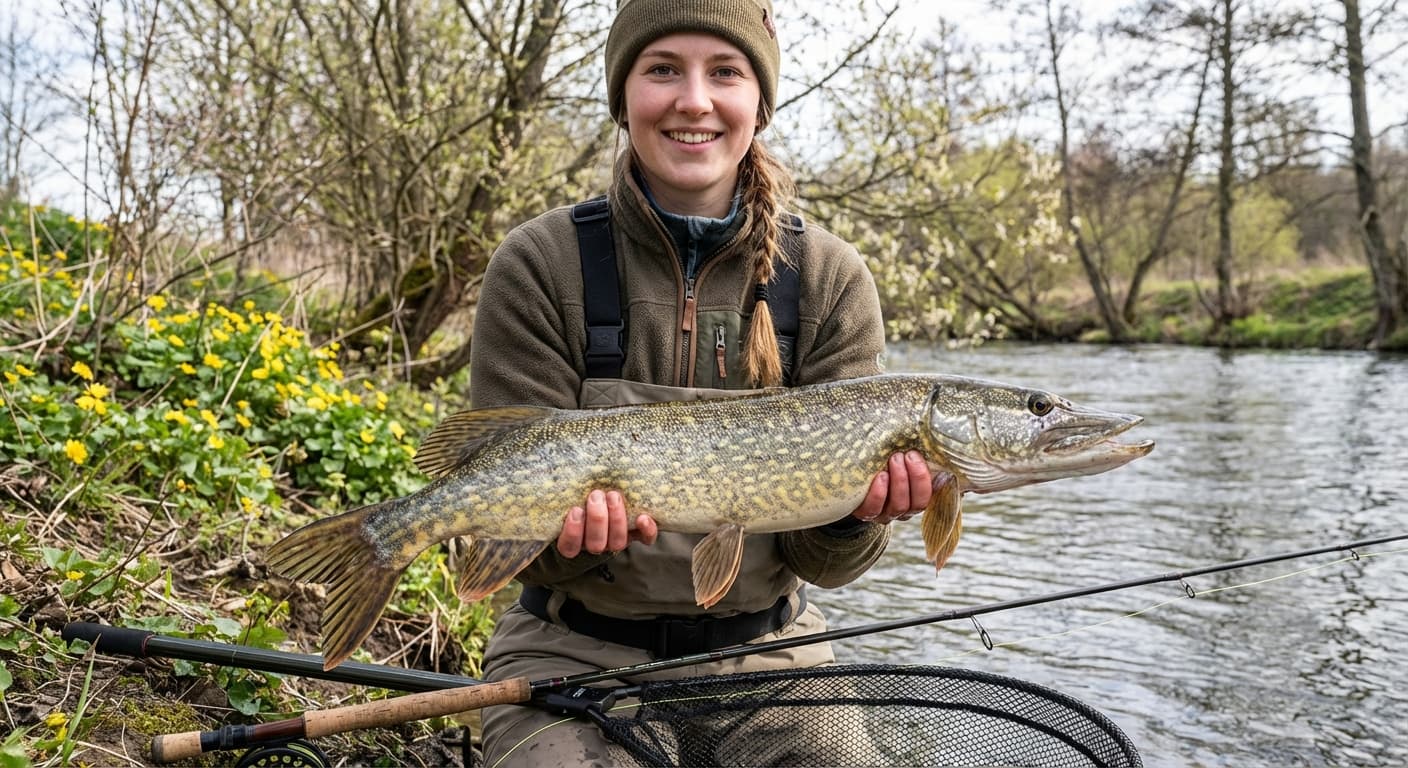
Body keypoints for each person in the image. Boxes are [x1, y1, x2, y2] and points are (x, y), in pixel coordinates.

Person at [467, 1, 937, 765]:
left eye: (725, 72)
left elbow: (828, 568)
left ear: (759, 101)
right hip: (573, 648)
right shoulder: (540, 263)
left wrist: (856, 519)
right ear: (624, 99)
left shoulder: (827, 278)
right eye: (662, 70)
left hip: (774, 657)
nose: (694, 100)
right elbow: (514, 539)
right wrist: (574, 544)